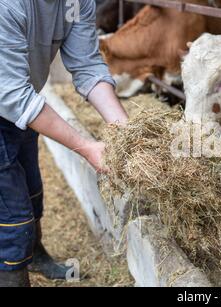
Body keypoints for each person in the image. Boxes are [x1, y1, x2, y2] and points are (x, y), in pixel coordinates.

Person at [0, 0, 128, 287]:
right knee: (13, 219)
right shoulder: (8, 6)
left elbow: (87, 63)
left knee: (32, 191)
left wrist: (124, 129)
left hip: (23, 104)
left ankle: (35, 256)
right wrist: (86, 147)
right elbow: (11, 94)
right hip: (12, 98)